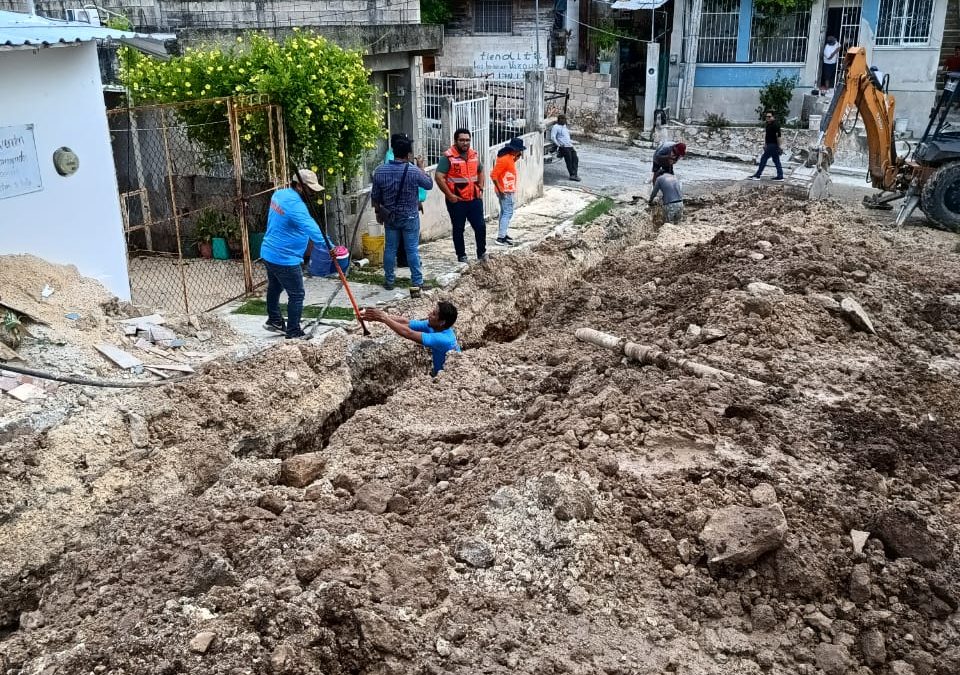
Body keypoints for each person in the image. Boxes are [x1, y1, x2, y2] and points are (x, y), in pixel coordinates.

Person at [260, 169, 335, 339]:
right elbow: (312, 228)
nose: (313, 194)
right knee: (297, 294)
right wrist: (330, 247)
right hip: (284, 257)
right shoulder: (296, 205)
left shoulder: (279, 195)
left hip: (269, 251)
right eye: (310, 190)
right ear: (300, 187)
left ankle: (274, 320)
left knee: (275, 286)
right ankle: (293, 331)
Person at [372, 134, 433, 297]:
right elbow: (429, 184)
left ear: (393, 151)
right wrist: (421, 167)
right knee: (412, 249)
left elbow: (375, 196)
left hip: (390, 217)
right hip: (410, 217)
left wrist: (378, 212)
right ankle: (417, 281)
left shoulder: (380, 171)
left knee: (390, 248)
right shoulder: (413, 171)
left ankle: (389, 280)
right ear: (408, 154)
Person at [359, 302, 460, 375]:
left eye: (433, 314)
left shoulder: (444, 339)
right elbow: (406, 322)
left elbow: (409, 333)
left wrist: (384, 318)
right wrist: (378, 317)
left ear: (442, 322)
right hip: (440, 373)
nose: (429, 314)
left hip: (450, 376)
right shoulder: (434, 326)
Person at [435, 128, 487, 264]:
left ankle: (482, 253)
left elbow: (481, 171)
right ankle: (461, 255)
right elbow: (439, 177)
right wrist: (449, 195)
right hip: (457, 201)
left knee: (480, 226)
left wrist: (481, 187)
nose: (465, 143)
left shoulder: (473, 155)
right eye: (462, 140)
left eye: (467, 140)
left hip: (474, 199)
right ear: (456, 141)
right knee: (458, 228)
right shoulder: (448, 158)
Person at [490, 137, 525, 246]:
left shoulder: (509, 157)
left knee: (504, 212)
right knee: (508, 213)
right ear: (514, 149)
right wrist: (500, 190)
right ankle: (501, 238)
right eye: (519, 150)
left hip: (506, 189)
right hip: (505, 191)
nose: (520, 152)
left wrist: (517, 156)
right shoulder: (505, 159)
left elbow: (511, 163)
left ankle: (503, 234)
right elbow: (493, 175)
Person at [748, 110, 784, 182]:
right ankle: (780, 176)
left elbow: (778, 136)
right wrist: (765, 144)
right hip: (769, 144)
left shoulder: (775, 125)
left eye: (769, 116)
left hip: (773, 145)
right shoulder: (768, 125)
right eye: (766, 116)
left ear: (773, 117)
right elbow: (767, 136)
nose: (767, 118)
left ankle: (758, 175)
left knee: (764, 158)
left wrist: (780, 146)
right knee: (776, 160)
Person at [550, 114, 581, 181]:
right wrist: (558, 145)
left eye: (565, 119)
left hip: (570, 146)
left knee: (575, 158)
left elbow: (567, 137)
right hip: (563, 147)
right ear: (559, 120)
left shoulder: (564, 126)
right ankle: (572, 175)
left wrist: (572, 143)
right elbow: (553, 137)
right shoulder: (555, 127)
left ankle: (575, 174)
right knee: (569, 160)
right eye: (563, 119)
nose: (564, 121)